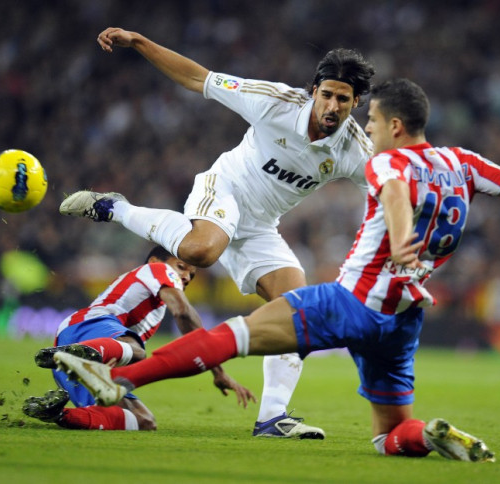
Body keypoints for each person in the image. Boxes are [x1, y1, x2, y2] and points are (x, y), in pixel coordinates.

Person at [53, 78, 500, 458]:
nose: (363, 129)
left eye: (371, 121)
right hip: (403, 322)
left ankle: (121, 376)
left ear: (394, 126)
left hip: (351, 304)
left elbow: (395, 191)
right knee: (387, 432)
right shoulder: (463, 163)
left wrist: (399, 234)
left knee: (230, 337)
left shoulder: (383, 163)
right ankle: (422, 436)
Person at [58, 27, 376, 439]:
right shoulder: (273, 102)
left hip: (261, 227)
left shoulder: (356, 150)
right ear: (313, 90)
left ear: (356, 103)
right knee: (202, 250)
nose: (332, 106)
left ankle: (272, 418)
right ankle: (115, 207)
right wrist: (138, 43)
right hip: (224, 190)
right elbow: (198, 78)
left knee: (300, 312)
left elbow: (395, 190)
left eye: (343, 99)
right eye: (327, 94)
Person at [23, 245, 255, 431]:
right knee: (137, 350)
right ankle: (77, 354)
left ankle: (58, 413)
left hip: (80, 351)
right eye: (182, 267)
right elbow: (184, 314)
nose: (185, 277)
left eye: (191, 276)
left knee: (143, 421)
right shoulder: (158, 271)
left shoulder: (156, 306)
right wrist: (218, 371)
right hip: (87, 326)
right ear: (155, 261)